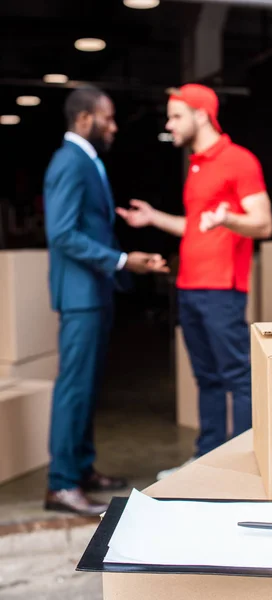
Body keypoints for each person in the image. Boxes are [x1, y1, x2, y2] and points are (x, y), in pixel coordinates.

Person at [116, 84, 272, 479]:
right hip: (188, 285)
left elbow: (264, 223)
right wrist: (153, 217)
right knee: (205, 378)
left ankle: (243, 469)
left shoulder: (239, 161)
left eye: (175, 116)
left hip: (222, 288)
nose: (169, 125)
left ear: (201, 115)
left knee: (237, 378)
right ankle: (207, 462)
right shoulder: (198, 165)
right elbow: (195, 227)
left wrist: (228, 219)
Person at [43, 86, 169, 515]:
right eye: (108, 119)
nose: (114, 127)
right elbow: (61, 234)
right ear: (83, 120)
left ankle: (81, 468)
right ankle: (61, 484)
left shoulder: (86, 160)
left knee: (88, 386)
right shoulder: (70, 161)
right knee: (74, 388)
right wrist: (120, 260)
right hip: (80, 295)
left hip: (93, 293)